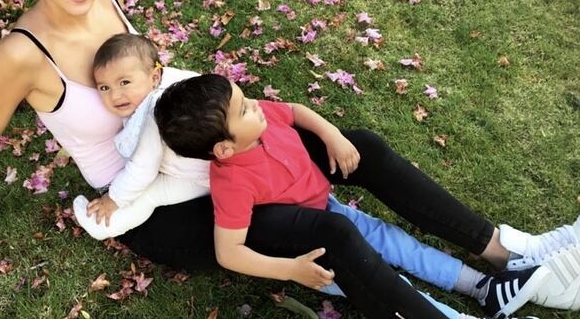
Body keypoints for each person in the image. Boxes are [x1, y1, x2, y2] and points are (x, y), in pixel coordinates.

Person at [0, 0, 580, 319]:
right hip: (154, 205)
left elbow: (150, 78)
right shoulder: (18, 55)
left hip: (201, 149)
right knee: (329, 230)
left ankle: (505, 252)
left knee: (360, 144)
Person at [74, 35, 550, 319]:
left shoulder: (265, 122)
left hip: (328, 207)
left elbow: (296, 111)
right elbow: (224, 245)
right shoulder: (230, 179)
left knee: (396, 246)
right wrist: (292, 270)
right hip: (305, 247)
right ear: (222, 147)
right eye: (244, 107)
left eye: (245, 100)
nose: (256, 104)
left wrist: (335, 136)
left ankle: (482, 286)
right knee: (377, 273)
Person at [72, 33, 208, 239]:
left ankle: (104, 227)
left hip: (200, 178)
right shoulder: (177, 80)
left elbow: (143, 168)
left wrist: (114, 198)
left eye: (124, 82)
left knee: (151, 195)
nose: (115, 96)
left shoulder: (152, 114)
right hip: (214, 160)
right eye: (104, 88)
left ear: (154, 77)